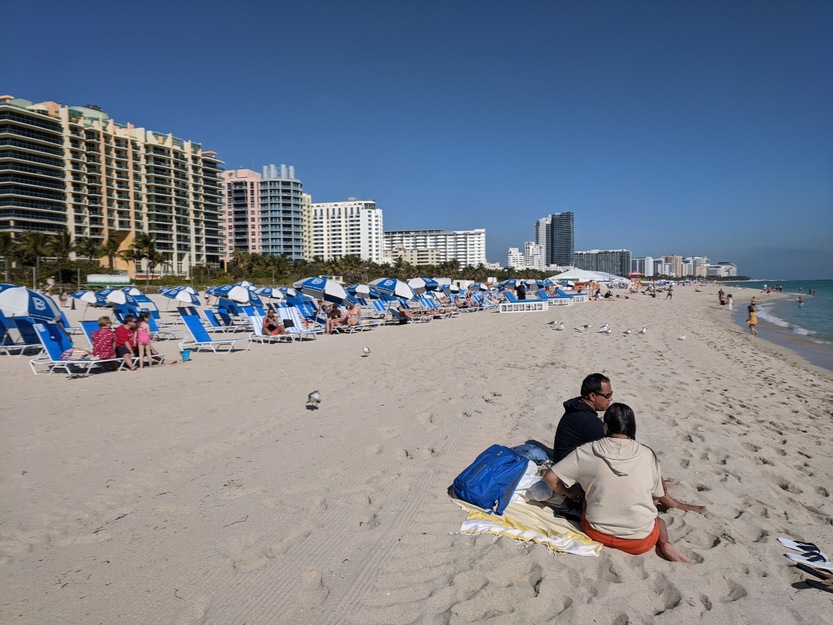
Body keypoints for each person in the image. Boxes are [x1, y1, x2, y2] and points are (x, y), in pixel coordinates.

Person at [543, 403, 693, 563]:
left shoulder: (586, 451)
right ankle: (665, 544)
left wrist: (568, 492)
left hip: (596, 532)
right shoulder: (647, 454)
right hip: (639, 542)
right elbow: (656, 498)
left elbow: (550, 478)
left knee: (587, 495)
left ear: (606, 426)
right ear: (631, 427)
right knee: (658, 520)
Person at [553, 373, 706, 514]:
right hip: (570, 475)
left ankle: (659, 484)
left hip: (568, 464)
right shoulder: (589, 423)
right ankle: (673, 504)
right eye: (608, 395)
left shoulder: (577, 408)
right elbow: (623, 452)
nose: (611, 399)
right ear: (592, 396)